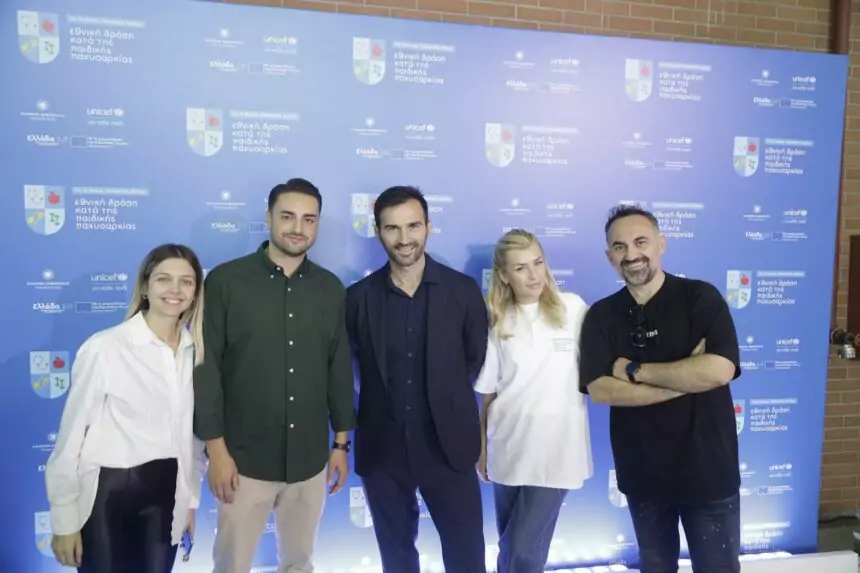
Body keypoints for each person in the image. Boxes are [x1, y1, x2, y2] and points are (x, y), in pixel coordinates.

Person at [193, 178, 356, 573]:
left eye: (309, 219)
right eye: (287, 217)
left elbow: (337, 367)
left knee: (299, 563)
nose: (298, 228)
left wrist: (341, 444)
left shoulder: (330, 289)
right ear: (268, 218)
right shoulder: (225, 282)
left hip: (309, 462)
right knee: (231, 566)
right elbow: (206, 369)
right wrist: (216, 452)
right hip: (242, 461)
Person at [578, 204, 742, 573]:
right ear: (609, 257)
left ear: (661, 244)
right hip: (643, 477)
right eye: (619, 247)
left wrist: (634, 371)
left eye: (641, 242)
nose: (631, 254)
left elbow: (719, 369)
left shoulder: (700, 298)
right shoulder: (601, 315)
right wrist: (685, 381)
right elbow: (602, 390)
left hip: (708, 472)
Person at [345, 185, 489, 573]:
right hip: (383, 451)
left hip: (449, 448)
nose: (404, 238)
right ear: (378, 232)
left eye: (413, 226)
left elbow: (474, 360)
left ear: (428, 226)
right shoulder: (357, 298)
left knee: (466, 557)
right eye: (392, 228)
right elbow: (352, 366)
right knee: (396, 559)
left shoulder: (462, 291)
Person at [45, 244, 207, 573]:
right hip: (107, 499)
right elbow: (70, 439)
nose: (175, 289)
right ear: (145, 287)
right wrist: (64, 520)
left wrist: (188, 502)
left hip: (166, 499)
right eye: (163, 279)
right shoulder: (105, 347)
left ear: (195, 292)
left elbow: (191, 440)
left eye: (186, 281)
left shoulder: (196, 354)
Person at [475, 228, 593, 573]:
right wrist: (482, 450)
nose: (533, 274)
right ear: (503, 275)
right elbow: (488, 395)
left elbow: (606, 358)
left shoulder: (573, 309)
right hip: (508, 448)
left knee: (522, 552)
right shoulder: (497, 321)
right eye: (521, 267)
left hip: (558, 451)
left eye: (538, 263)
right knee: (510, 547)